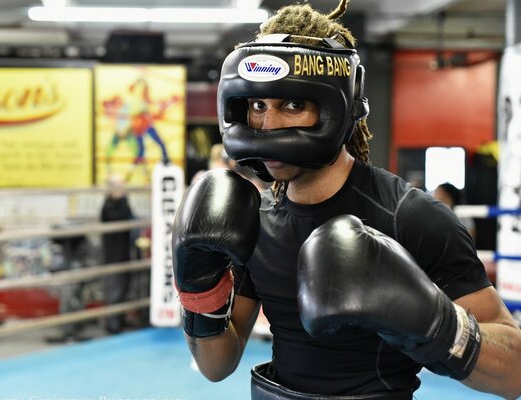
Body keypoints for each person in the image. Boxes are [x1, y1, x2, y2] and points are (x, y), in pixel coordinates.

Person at [172, 2, 521, 399]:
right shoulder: (256, 219)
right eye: (257, 106)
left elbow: (515, 372)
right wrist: (198, 289)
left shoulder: (410, 217)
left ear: (336, 106)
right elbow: (216, 365)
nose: (268, 125)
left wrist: (433, 322)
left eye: (292, 104)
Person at [100, 174, 135, 333]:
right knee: (114, 289)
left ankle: (120, 320)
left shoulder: (121, 203)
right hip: (113, 255)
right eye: (119, 186)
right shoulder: (108, 206)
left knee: (123, 288)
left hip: (123, 253)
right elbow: (120, 217)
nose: (122, 189)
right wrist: (123, 200)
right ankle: (112, 324)